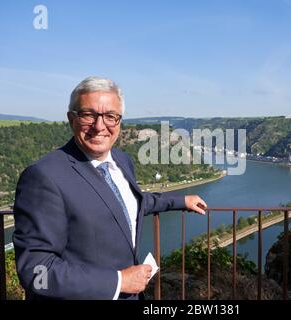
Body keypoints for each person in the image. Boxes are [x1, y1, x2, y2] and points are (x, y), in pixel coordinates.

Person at [12, 76, 207, 300]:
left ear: (119, 122)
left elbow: (131, 202)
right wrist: (118, 281)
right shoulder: (44, 177)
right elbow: (35, 273)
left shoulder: (122, 161)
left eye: (110, 117)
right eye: (88, 114)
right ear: (71, 119)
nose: (99, 126)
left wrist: (181, 201)